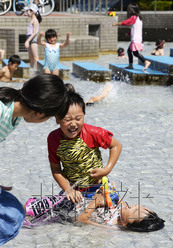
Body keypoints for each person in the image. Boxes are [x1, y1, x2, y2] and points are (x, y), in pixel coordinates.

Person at [0, 74, 69, 245]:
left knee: (14, 209)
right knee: (12, 218)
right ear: (39, 113)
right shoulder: (2, 112)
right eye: (48, 118)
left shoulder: (13, 116)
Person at [47, 91, 122, 204]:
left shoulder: (92, 133)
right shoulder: (53, 139)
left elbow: (116, 146)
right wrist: (68, 189)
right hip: (75, 190)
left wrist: (107, 169)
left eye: (78, 118)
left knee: (113, 209)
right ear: (57, 118)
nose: (73, 124)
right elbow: (56, 169)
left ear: (84, 115)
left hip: (98, 186)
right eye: (67, 120)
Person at [24, 182, 165, 232]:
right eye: (139, 205)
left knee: (30, 213)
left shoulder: (110, 227)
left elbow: (82, 220)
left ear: (126, 225)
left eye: (134, 210)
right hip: (75, 197)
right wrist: (111, 190)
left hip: (65, 211)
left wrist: (95, 203)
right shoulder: (123, 208)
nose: (133, 205)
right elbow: (118, 200)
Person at [112, 2, 151, 71]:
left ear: (132, 11)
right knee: (129, 51)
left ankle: (146, 61)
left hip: (135, 39)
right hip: (138, 38)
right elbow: (135, 28)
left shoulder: (134, 17)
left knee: (135, 53)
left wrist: (116, 24)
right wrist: (129, 33)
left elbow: (126, 22)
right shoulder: (138, 18)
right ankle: (130, 65)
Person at [25, 4, 42, 71]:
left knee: (35, 57)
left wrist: (27, 41)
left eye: (28, 11)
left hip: (33, 39)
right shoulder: (32, 20)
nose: (27, 13)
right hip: (29, 38)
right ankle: (31, 71)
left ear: (32, 12)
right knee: (31, 57)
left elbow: (34, 33)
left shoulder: (35, 21)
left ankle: (38, 71)